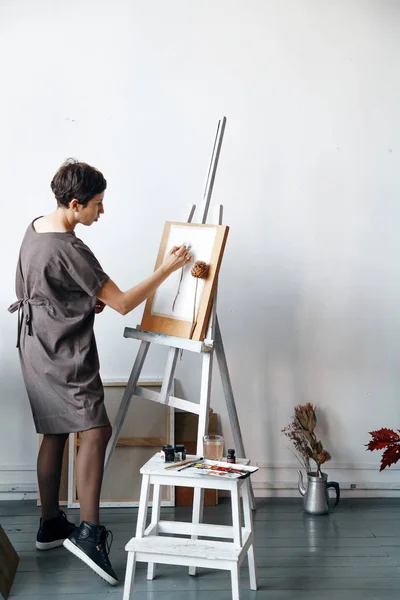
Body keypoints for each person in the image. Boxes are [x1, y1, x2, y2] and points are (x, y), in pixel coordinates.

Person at [8, 159, 192, 585]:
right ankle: (89, 533)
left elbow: (46, 286)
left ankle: (51, 524)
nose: (101, 213)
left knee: (53, 431)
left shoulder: (36, 226)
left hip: (35, 343)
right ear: (75, 204)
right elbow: (124, 302)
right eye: (97, 205)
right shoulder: (71, 247)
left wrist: (79, 300)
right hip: (63, 350)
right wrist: (168, 267)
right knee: (96, 430)